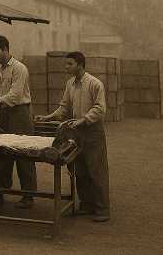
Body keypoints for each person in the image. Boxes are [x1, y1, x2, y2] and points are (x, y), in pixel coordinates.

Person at [36, 51, 110, 223]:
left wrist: (84, 120)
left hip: (92, 132)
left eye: (69, 64)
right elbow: (64, 107)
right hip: (75, 132)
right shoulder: (70, 84)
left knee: (96, 170)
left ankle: (102, 209)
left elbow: (100, 108)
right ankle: (86, 205)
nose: (66, 67)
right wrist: (48, 117)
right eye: (66, 64)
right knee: (79, 170)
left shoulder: (94, 84)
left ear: (80, 65)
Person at [0, 35, 37, 208]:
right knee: (2, 153)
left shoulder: (19, 68)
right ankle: (1, 192)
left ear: (5, 49)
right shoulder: (0, 69)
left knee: (23, 153)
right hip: (4, 114)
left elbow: (15, 95)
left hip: (20, 114)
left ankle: (28, 196)